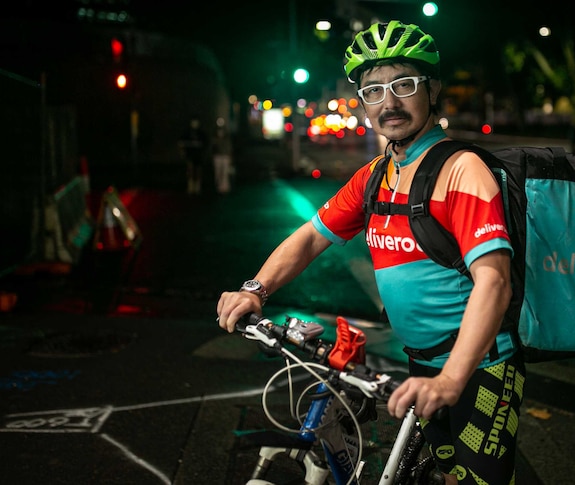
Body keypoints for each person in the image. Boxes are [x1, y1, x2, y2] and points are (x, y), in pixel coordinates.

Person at [216, 21, 524, 484]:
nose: (390, 102)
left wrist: (449, 380)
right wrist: (256, 290)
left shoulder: (462, 170)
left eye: (404, 84)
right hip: (421, 364)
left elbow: (494, 280)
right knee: (430, 473)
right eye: (374, 90)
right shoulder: (376, 176)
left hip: (482, 370)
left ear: (432, 90)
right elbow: (311, 237)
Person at [178, 116, 208, 194]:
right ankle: (190, 186)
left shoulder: (201, 133)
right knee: (190, 169)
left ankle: (197, 186)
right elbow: (181, 142)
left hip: (198, 155)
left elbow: (205, 143)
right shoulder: (187, 132)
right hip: (190, 154)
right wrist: (183, 151)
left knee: (198, 170)